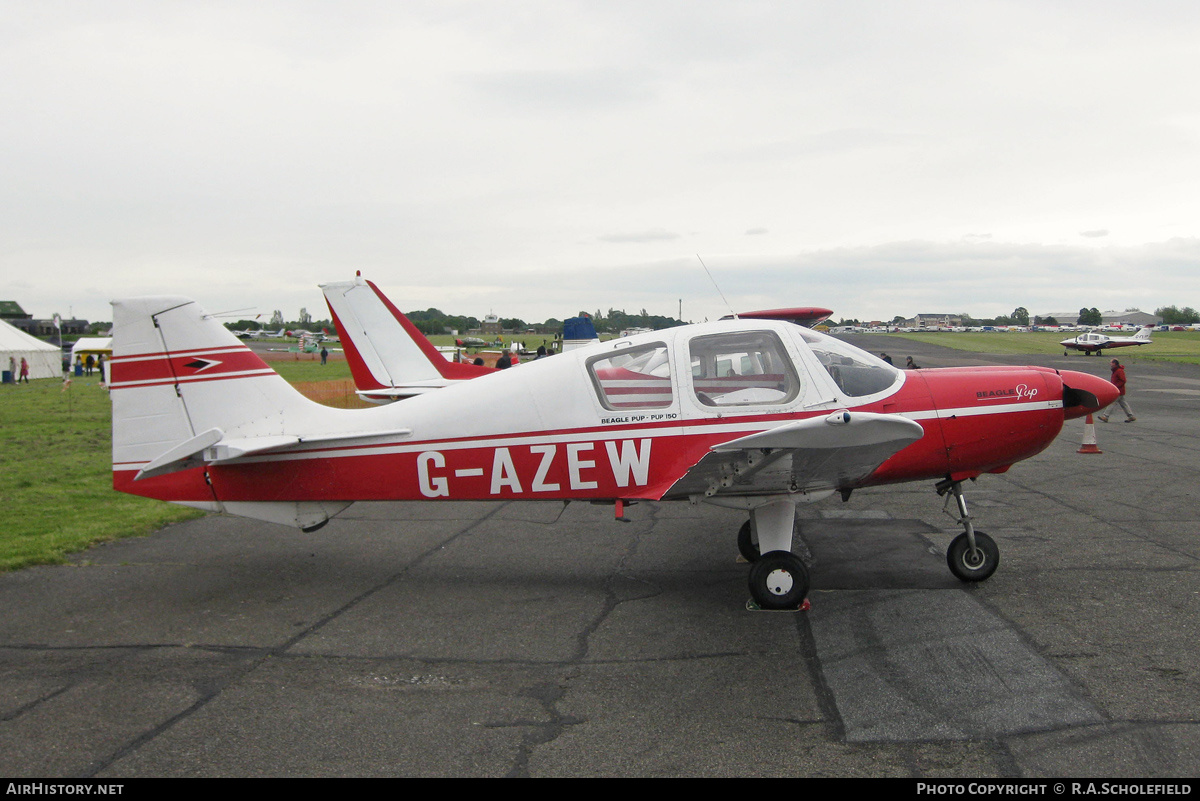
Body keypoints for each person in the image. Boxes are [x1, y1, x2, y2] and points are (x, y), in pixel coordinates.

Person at [1097, 358, 1135, 422]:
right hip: (1119, 390)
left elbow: (1123, 380)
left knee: (1112, 402)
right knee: (1123, 404)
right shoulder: (1116, 370)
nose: (1110, 364)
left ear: (1114, 363)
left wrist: (1115, 387)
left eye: (1111, 363)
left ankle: (1105, 416)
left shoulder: (1119, 371)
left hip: (1118, 391)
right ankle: (1131, 416)